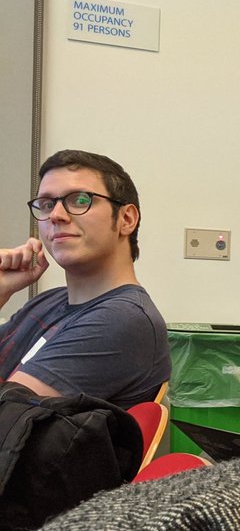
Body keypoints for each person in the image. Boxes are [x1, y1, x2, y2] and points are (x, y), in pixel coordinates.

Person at [0, 149, 169, 408]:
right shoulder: (49, 301)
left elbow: (7, 415)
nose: (56, 215)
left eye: (80, 200)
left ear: (126, 219)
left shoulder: (122, 319)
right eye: (46, 204)